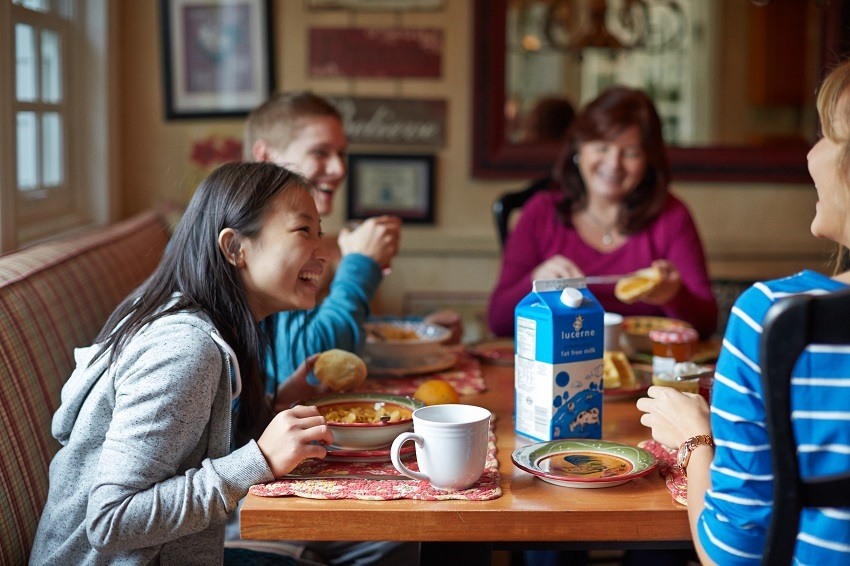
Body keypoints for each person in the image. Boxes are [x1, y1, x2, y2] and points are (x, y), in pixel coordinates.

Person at [30, 162, 335, 564]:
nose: (324, 253)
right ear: (235, 248)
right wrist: (257, 460)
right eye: (303, 231)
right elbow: (110, 521)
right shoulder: (185, 349)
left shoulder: (214, 327)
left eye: (321, 234)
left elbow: (190, 451)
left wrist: (276, 405)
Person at [636, 59, 850, 564]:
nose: (811, 154)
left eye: (826, 135)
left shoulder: (775, 319)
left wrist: (694, 439)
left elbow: (730, 557)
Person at [244, 91, 461, 386]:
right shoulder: (257, 240)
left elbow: (314, 331)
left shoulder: (298, 240)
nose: (340, 169)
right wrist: (360, 265)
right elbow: (309, 367)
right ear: (266, 156)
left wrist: (414, 331)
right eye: (320, 152)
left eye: (342, 154)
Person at [487, 86, 717, 339]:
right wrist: (534, 283)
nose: (613, 164)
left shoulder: (672, 217)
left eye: (631, 152)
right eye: (602, 147)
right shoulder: (540, 212)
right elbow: (498, 322)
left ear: (648, 162)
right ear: (579, 148)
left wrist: (675, 296)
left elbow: (706, 325)